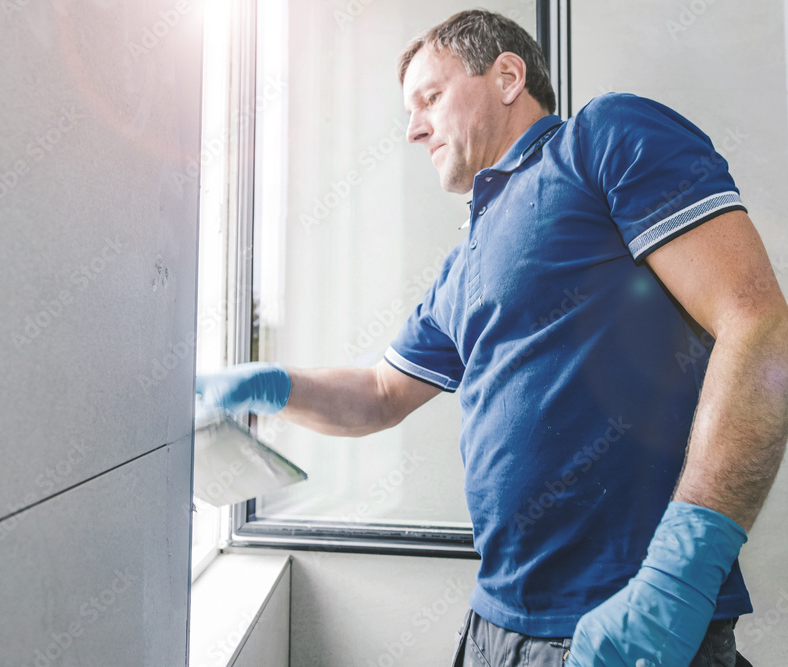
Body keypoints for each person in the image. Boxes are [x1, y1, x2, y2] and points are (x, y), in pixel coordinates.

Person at [196, 9, 788, 667]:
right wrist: (267, 383)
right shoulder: (463, 263)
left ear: (507, 76)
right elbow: (380, 393)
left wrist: (681, 574)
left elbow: (759, 325)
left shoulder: (601, 138)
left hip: (626, 624)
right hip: (494, 626)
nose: (413, 127)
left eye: (430, 97)